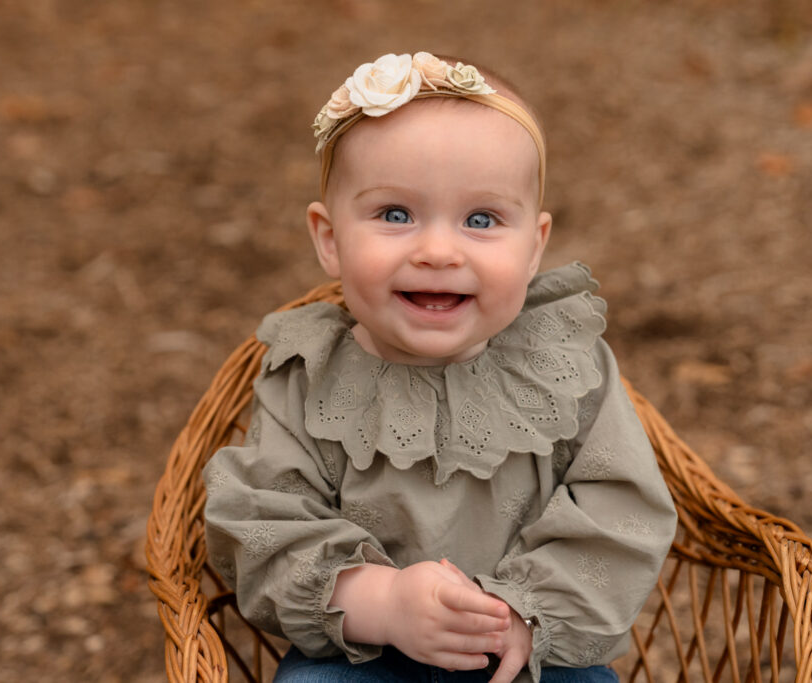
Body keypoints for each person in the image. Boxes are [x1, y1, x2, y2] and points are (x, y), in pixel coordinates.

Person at [203, 52, 677, 683]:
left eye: (481, 220)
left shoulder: (566, 367)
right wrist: (381, 602)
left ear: (534, 247)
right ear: (329, 238)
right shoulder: (308, 375)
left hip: (529, 650)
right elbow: (261, 524)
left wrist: (523, 610)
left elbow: (622, 511)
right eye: (395, 215)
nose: (437, 251)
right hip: (364, 654)